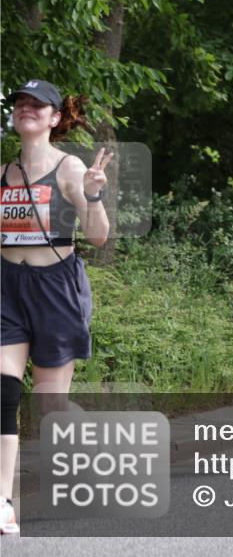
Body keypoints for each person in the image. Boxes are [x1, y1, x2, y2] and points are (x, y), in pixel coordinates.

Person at [1, 79, 112, 535]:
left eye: (37, 104)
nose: (26, 109)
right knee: (4, 394)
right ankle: (4, 501)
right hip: (7, 289)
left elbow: (99, 237)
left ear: (54, 118)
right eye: (20, 103)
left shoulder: (70, 168)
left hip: (55, 290)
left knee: (51, 404)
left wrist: (93, 194)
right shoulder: (4, 173)